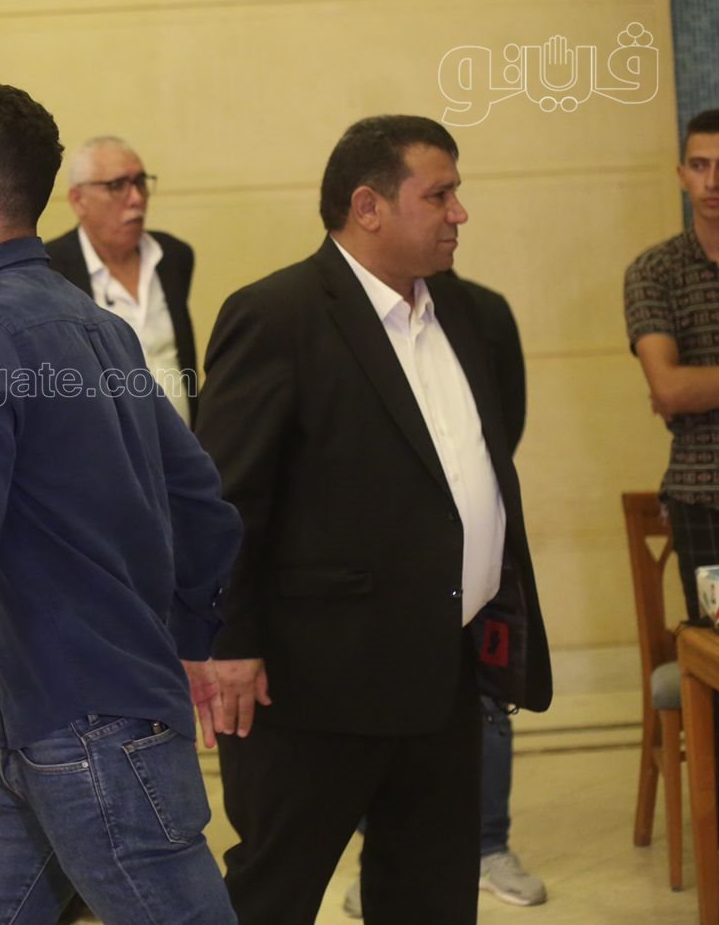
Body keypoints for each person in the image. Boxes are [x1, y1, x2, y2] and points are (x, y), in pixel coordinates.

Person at [0, 83, 244, 925]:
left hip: (88, 733)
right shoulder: (96, 324)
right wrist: (185, 643)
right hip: (48, 718)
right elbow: (204, 505)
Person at [196, 115, 552, 924]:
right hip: (313, 682)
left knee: (430, 894)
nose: (460, 213)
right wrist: (229, 645)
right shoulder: (278, 314)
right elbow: (224, 498)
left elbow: (481, 460)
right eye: (440, 195)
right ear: (369, 206)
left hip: (444, 671)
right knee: (274, 893)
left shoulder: (473, 314)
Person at [341, 274, 547, 916]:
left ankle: (490, 845)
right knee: (383, 707)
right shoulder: (340, 311)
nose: (455, 223)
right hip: (386, 562)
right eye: (440, 212)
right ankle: (379, 856)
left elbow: (504, 423)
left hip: (477, 563)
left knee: (486, 702)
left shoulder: (483, 309)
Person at [624, 106, 719, 918]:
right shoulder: (656, 271)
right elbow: (670, 389)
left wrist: (708, 389)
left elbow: (683, 392)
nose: (713, 181)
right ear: (681, 173)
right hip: (706, 497)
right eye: (700, 165)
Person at [45, 136, 198, 423]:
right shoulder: (50, 271)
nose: (136, 198)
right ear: (78, 200)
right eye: (116, 186)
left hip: (182, 445)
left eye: (140, 182)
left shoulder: (172, 256)